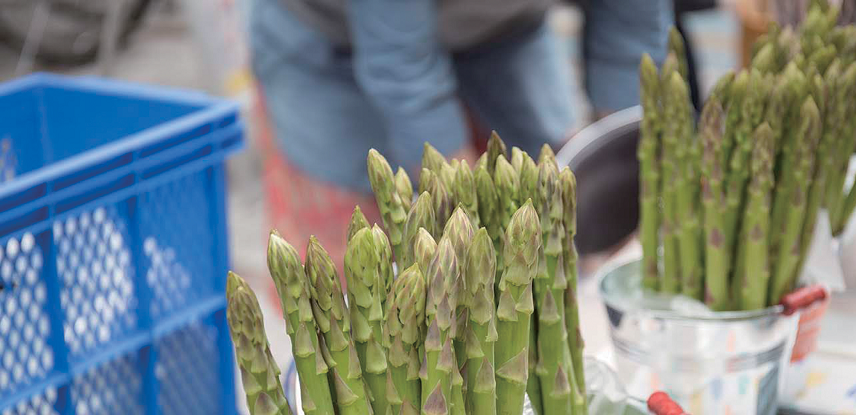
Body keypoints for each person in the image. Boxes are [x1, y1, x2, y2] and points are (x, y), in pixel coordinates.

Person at [249, 0, 671, 260]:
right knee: (361, 261)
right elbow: (401, 67)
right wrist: (473, 229)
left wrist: (625, 187)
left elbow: (630, 32)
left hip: (506, 33)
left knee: (553, 207)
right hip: (335, 43)